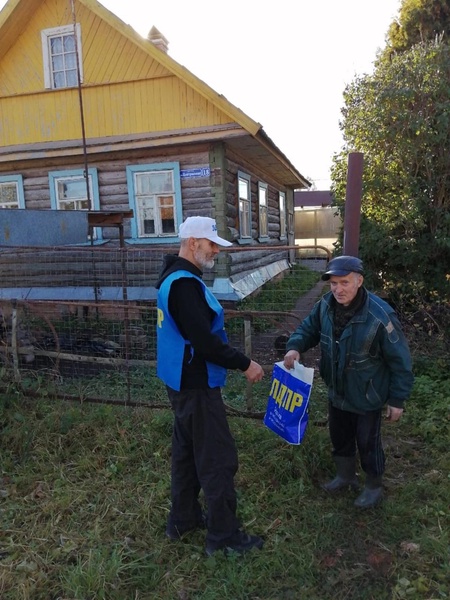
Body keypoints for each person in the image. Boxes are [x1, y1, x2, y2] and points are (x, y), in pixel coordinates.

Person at [156, 215, 265, 556]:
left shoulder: (173, 276)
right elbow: (204, 342)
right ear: (193, 244)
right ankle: (223, 538)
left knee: (187, 454)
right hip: (197, 384)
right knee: (217, 459)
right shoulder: (185, 285)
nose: (216, 250)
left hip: (180, 381)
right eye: (211, 244)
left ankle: (184, 518)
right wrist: (244, 363)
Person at [283, 255, 414, 508]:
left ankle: (373, 487)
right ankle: (345, 477)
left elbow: (401, 360)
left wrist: (397, 399)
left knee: (367, 442)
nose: (338, 289)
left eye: (344, 283)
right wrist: (294, 347)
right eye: (333, 284)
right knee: (339, 435)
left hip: (367, 394)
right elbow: (308, 329)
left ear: (359, 281)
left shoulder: (380, 315)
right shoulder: (325, 306)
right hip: (337, 390)